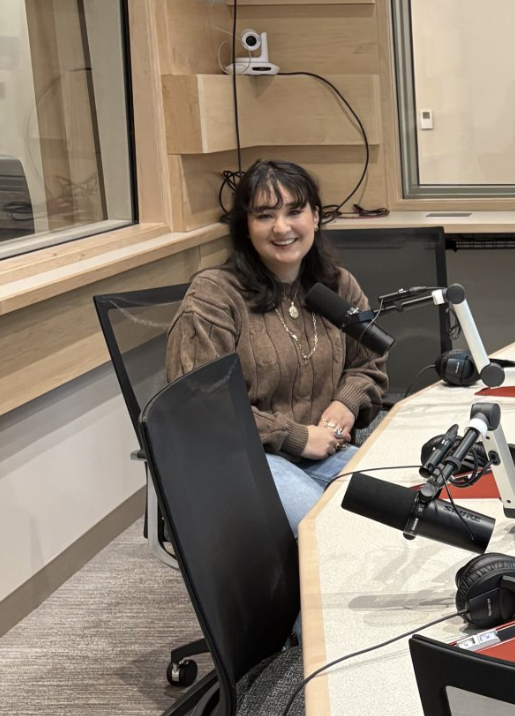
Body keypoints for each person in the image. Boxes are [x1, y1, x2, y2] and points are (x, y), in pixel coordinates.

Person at [166, 160, 387, 535]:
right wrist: (297, 437)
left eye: (294, 211)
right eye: (265, 215)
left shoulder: (337, 285)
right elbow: (202, 406)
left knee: (400, 513)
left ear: (316, 216)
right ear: (245, 228)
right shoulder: (214, 296)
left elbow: (370, 362)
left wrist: (346, 401)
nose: (282, 228)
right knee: (330, 534)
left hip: (321, 454)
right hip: (244, 458)